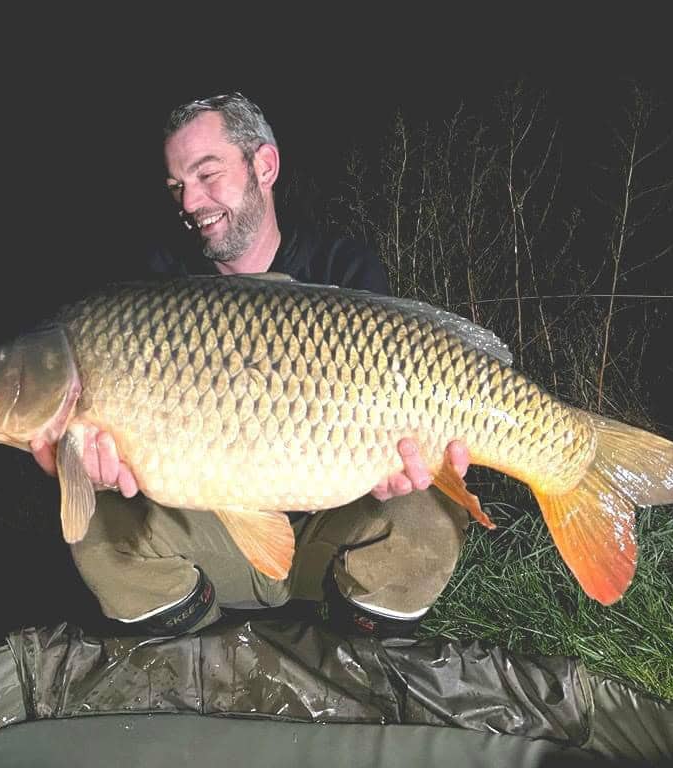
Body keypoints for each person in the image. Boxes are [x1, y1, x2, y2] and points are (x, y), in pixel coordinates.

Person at [32, 92, 470, 638]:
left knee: (427, 518)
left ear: (264, 165)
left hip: (330, 539)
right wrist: (84, 471)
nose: (190, 201)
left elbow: (397, 430)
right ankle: (204, 659)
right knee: (98, 534)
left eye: (207, 174)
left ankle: (352, 656)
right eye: (176, 186)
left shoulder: (343, 268)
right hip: (212, 540)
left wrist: (399, 471)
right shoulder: (157, 288)